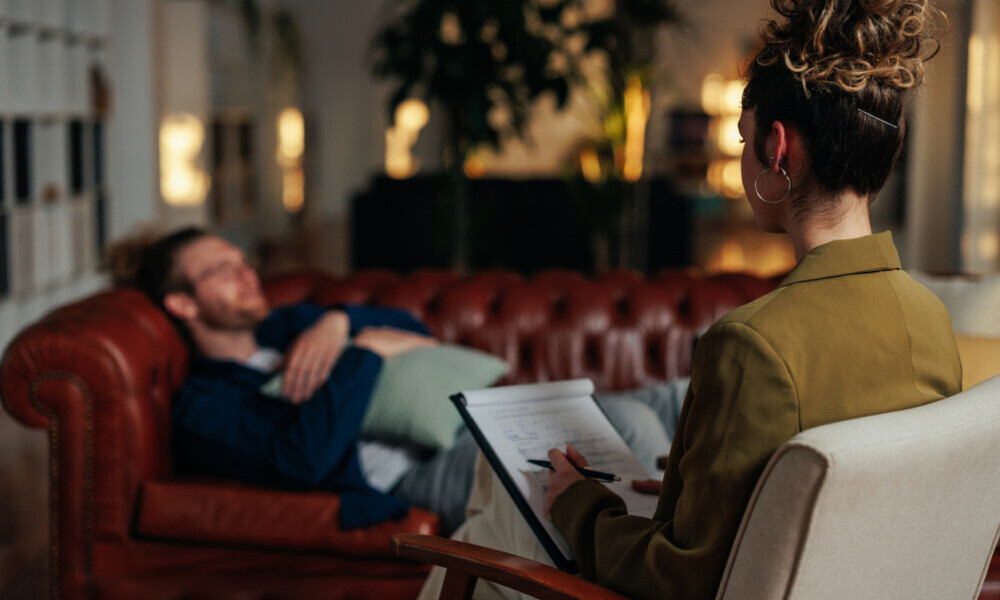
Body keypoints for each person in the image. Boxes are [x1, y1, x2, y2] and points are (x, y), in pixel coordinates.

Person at [417, 1, 961, 598]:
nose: (742, 152)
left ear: (777, 149)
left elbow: (678, 579)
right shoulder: (930, 321)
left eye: (743, 138)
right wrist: (687, 496)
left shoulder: (752, 346)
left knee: (489, 527)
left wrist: (579, 502)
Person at [124, 227, 674, 533]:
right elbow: (300, 460)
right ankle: (668, 564)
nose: (245, 272)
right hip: (416, 469)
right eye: (220, 270)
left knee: (680, 396)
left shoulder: (289, 325)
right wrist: (361, 350)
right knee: (625, 418)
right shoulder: (203, 404)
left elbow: (412, 328)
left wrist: (339, 322)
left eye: (241, 258)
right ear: (181, 302)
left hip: (471, 418)